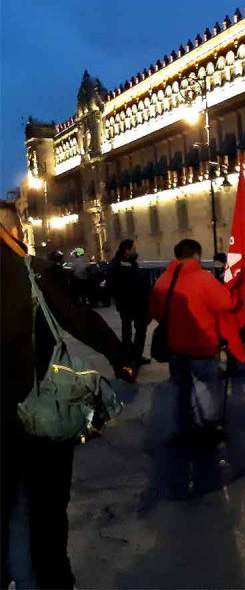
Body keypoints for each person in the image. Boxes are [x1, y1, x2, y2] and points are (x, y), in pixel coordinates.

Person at [0, 201, 134, 589]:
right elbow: (79, 318)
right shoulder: (33, 270)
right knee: (46, 508)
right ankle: (52, 579)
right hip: (41, 407)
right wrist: (119, 356)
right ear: (16, 231)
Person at [150, 239, 242, 444]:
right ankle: (210, 427)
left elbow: (155, 311)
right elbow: (226, 303)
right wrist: (237, 290)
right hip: (202, 345)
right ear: (197, 255)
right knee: (206, 388)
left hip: (175, 347)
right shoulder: (204, 279)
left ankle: (183, 427)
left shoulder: (163, 279)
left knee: (180, 389)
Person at [107, 239, 151, 366]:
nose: (135, 251)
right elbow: (113, 284)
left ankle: (135, 355)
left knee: (135, 329)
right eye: (133, 249)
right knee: (131, 329)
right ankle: (131, 355)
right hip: (128, 302)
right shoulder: (117, 265)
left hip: (135, 302)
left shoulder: (130, 263)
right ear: (127, 250)